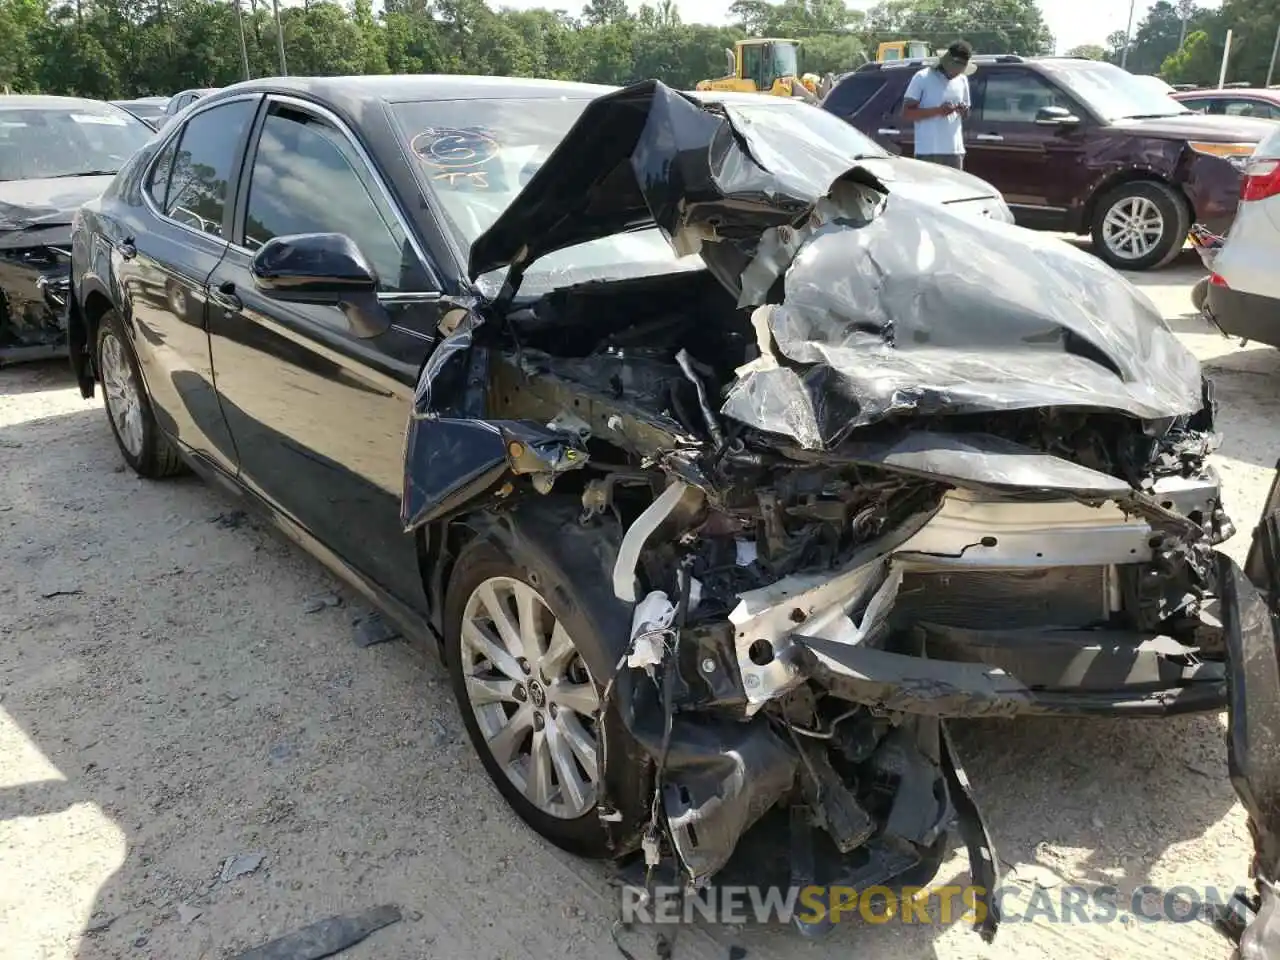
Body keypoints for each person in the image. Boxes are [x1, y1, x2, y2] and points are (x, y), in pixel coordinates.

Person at [901, 41, 976, 170]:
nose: (956, 73)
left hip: (955, 152)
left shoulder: (962, 80)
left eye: (960, 70)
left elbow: (966, 114)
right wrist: (939, 111)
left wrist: (962, 110)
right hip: (928, 152)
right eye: (955, 70)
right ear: (946, 63)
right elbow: (907, 113)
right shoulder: (922, 78)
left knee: (955, 190)